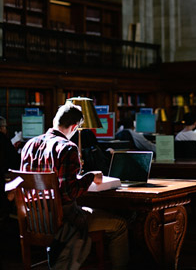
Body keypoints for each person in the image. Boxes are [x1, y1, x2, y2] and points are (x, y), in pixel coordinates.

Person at [20, 101, 129, 270]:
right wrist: (91, 177)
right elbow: (69, 193)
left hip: (34, 221)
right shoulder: (67, 148)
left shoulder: (29, 145)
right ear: (74, 127)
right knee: (119, 225)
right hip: (62, 221)